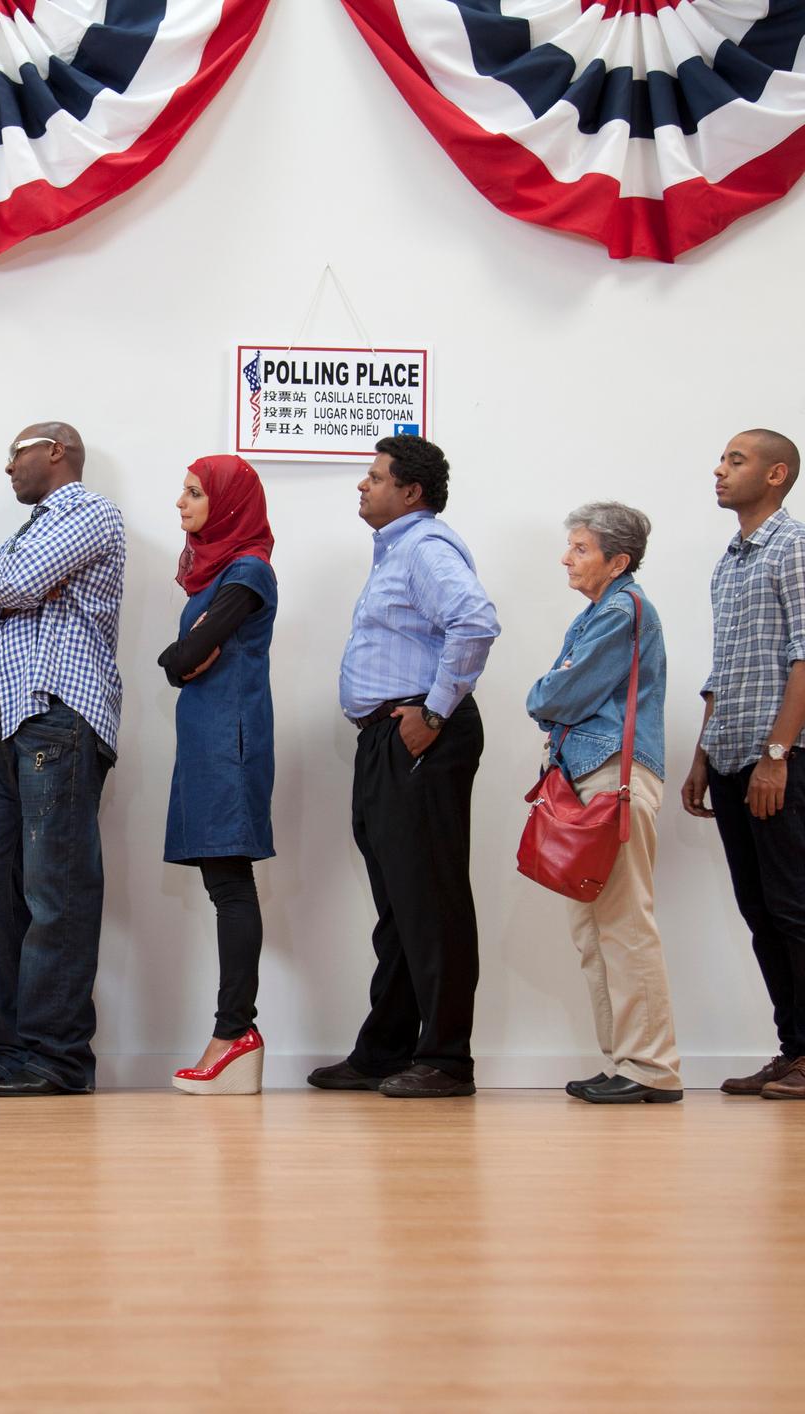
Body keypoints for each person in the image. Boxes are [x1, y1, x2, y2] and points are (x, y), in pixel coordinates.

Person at [310, 434, 499, 1100]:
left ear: (410, 491)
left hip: (419, 734)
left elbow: (475, 622)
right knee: (398, 905)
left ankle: (445, 1059)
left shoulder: (423, 548)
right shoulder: (396, 551)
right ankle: (385, 1049)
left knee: (431, 901)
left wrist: (435, 713)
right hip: (387, 738)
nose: (361, 486)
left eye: (373, 477)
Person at [0, 422, 125, 1096]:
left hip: (59, 715)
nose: (5, 469)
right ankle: (16, 1052)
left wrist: (6, 587)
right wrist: (10, 588)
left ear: (54, 451)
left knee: (56, 890)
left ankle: (58, 1057)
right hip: (2, 723)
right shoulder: (28, 534)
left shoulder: (89, 512)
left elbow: (9, 585)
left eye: (12, 453)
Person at [679, 429, 805, 1100]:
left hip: (779, 757)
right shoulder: (730, 561)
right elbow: (723, 672)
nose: (718, 469)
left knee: (794, 903)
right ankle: (793, 1050)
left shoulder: (798, 548)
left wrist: (776, 755)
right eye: (720, 457)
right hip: (731, 754)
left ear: (776, 474)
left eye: (735, 460)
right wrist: (702, 756)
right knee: (760, 908)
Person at [525, 503, 682, 1104]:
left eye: (581, 548)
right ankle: (624, 1060)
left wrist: (545, 689)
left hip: (613, 775)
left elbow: (558, 691)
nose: (568, 557)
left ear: (618, 560)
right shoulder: (599, 612)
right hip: (590, 774)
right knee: (593, 928)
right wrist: (553, 688)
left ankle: (652, 1069)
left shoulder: (622, 610)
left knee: (623, 922)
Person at [157, 455, 277, 1096]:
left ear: (228, 503)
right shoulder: (215, 575)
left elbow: (186, 655)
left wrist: (181, 658)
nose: (181, 502)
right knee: (220, 882)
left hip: (229, 741)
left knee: (230, 884)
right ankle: (234, 1035)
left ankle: (235, 1035)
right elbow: (184, 659)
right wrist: (181, 659)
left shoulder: (248, 570)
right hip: (208, 739)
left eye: (195, 493)